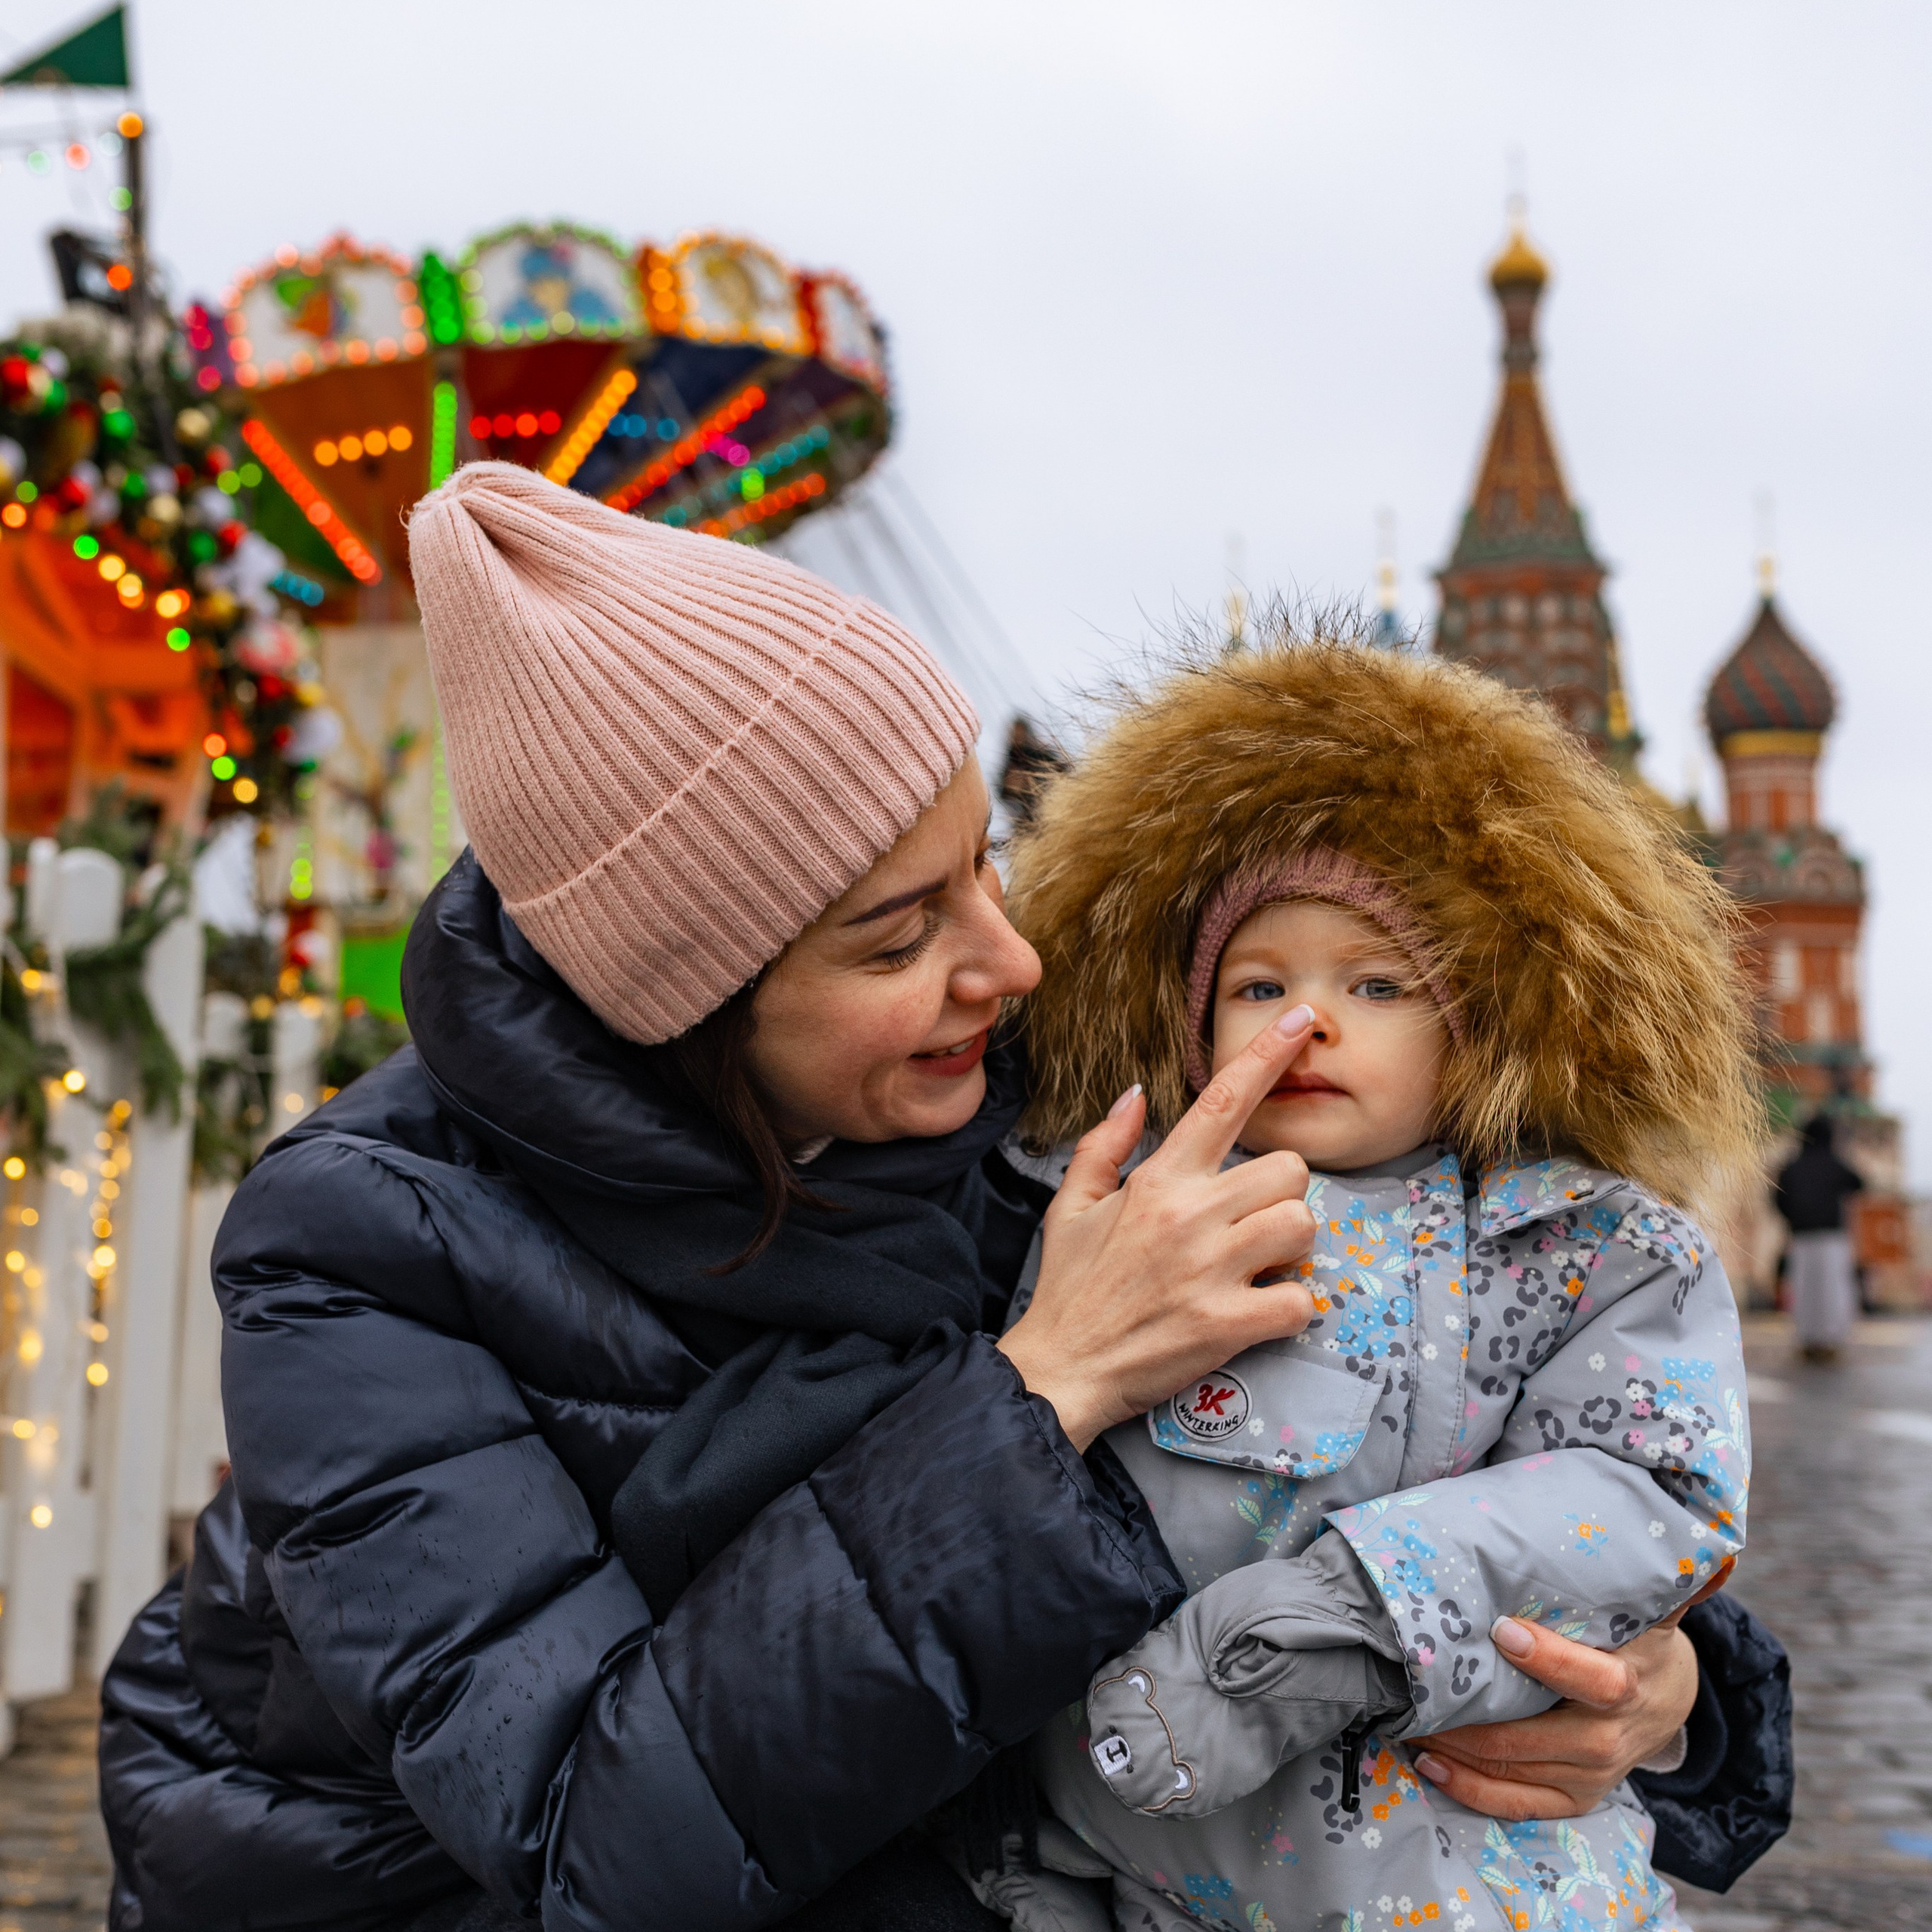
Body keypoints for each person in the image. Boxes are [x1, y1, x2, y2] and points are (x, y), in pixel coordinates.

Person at [96, 470, 1787, 1930]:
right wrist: (1040, 1387)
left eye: (985, 859)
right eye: (896, 937)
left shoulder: (1015, 1098)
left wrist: (1661, 1695)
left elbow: (1417, 1409)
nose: (1010, 956)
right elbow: (592, 1845)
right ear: (683, 1002)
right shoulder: (361, 1258)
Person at [977, 631, 1771, 1932]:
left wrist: (1327, 1627)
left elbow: (1646, 1495)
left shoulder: (1591, 1248)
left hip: (1471, 1887)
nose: (1309, 1023)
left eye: (1377, 981)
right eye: (1258, 984)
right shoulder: (1112, 1224)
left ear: (1481, 1022)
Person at [1774, 1112, 1865, 1363]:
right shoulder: (1833, 1163)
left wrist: (1793, 1218)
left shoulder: (1793, 1166)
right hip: (1831, 1238)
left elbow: (1778, 1200)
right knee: (1832, 1290)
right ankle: (1830, 1341)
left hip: (1801, 1237)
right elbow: (1859, 1182)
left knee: (1804, 1291)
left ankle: (1808, 1340)